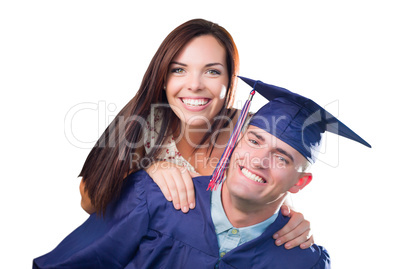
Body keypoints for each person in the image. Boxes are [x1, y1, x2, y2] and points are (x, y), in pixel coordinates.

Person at [33, 76, 370, 268]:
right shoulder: (154, 198)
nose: (257, 160)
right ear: (234, 143)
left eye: (281, 157)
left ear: (301, 182)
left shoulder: (303, 263)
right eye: (253, 140)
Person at [78, 18, 312, 248]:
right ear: (162, 78)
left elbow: (275, 188)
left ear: (229, 81)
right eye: (179, 70)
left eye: (212, 71)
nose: (194, 85)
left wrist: (292, 220)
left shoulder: (253, 131)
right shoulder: (147, 122)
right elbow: (89, 200)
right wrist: (148, 172)